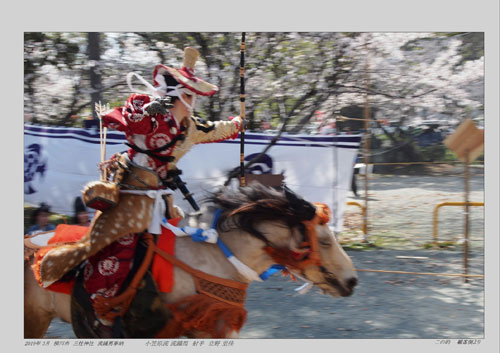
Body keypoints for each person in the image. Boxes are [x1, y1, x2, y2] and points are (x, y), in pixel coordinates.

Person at [51, 47, 243, 333]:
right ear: (176, 94)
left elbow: (221, 129)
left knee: (177, 243)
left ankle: (162, 302)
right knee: (121, 245)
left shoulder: (192, 127)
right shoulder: (150, 114)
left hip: (161, 196)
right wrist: (160, 104)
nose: (193, 100)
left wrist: (239, 123)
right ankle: (103, 306)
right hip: (130, 193)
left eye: (193, 95)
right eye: (189, 94)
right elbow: (131, 119)